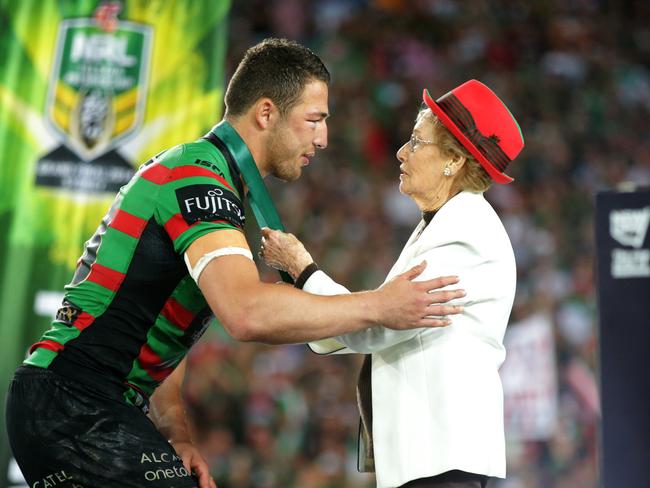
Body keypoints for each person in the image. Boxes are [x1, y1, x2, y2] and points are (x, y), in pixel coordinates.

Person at [4, 38, 464, 488]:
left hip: (81, 403)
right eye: (314, 119)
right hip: (75, 401)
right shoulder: (198, 179)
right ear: (266, 113)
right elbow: (245, 312)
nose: (323, 138)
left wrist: (175, 432)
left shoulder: (210, 178)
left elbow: (160, 324)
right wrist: (380, 306)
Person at [260, 79, 524, 488]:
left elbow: (383, 323)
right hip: (431, 458)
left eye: (417, 142)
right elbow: (380, 316)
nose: (402, 152)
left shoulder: (466, 230)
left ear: (453, 160)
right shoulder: (441, 225)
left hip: (442, 459)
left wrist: (305, 272)